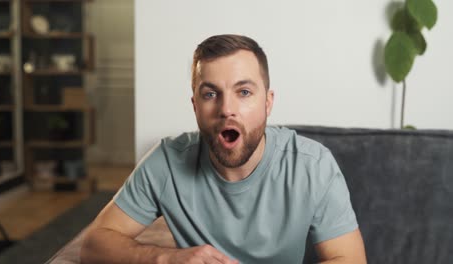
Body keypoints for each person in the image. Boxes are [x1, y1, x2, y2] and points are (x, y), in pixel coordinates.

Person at [81, 34, 367, 263]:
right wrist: (166, 258)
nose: (227, 109)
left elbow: (350, 259)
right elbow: (94, 244)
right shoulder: (167, 162)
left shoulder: (312, 165)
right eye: (210, 94)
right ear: (195, 106)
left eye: (244, 92)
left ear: (268, 102)